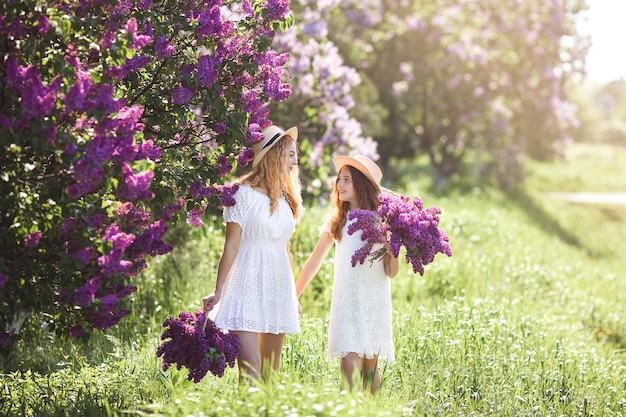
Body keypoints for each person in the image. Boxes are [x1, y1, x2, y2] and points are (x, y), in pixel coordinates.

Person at [202, 125, 302, 383]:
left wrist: (293, 295)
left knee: (270, 373)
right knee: (251, 368)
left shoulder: (287, 200)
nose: (295, 161)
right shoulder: (241, 194)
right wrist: (218, 290)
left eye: (295, 155)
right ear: (273, 155)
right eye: (290, 154)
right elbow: (231, 246)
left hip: (277, 288)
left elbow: (286, 248)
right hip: (246, 284)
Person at [295, 154, 400, 394]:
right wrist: (294, 295)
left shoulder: (382, 222)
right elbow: (313, 262)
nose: (340, 185)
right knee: (349, 374)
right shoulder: (337, 221)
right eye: (339, 180)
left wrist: (391, 247)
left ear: (361, 184)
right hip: (348, 304)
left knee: (370, 374)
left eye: (347, 180)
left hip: (374, 303)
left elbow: (392, 272)